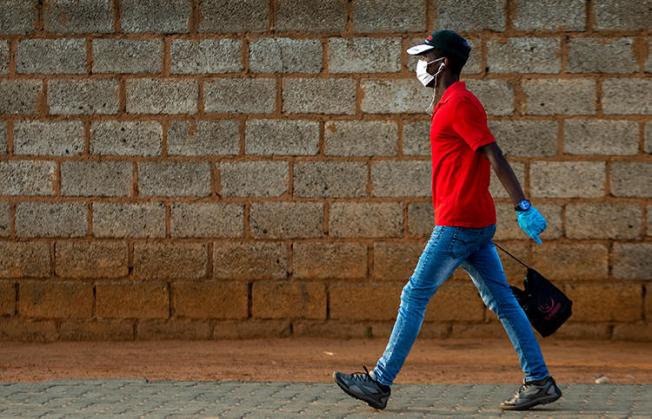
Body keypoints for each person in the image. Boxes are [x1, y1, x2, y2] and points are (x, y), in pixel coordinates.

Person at [333, 29, 563, 411]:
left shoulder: (460, 103)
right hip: (471, 224)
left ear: (445, 63)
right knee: (504, 301)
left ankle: (379, 382)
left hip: (458, 225)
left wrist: (523, 205)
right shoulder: (448, 103)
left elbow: (494, 155)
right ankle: (539, 380)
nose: (422, 64)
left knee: (414, 295)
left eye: (427, 57)